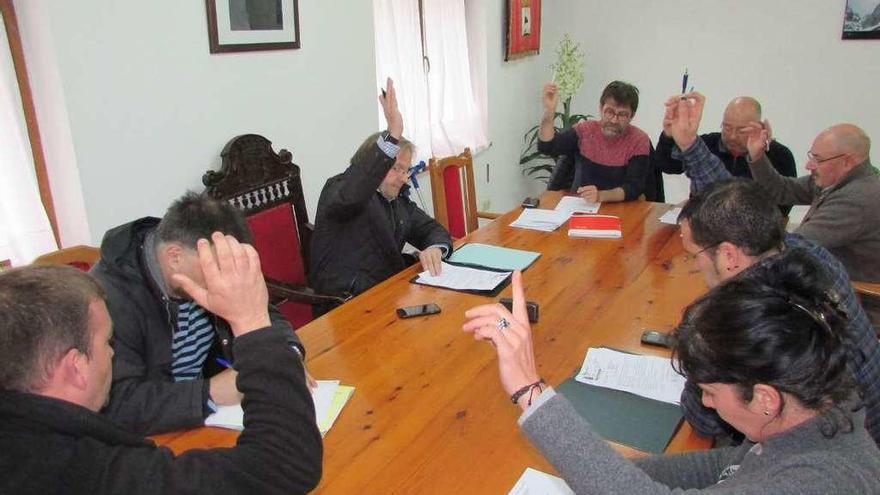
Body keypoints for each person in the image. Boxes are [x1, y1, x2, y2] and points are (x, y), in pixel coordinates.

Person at [463, 254, 880, 493]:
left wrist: (530, 390)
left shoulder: (822, 483)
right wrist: (603, 476)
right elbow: (724, 469)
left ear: (766, 398)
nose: (705, 402)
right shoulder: (813, 403)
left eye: (711, 392)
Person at [0, 234, 322, 494]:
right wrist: (252, 322)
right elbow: (285, 465)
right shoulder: (89, 471)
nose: (113, 354)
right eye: (106, 343)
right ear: (76, 367)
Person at [674, 178, 880, 445]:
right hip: (865, 421)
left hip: (826, 450)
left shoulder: (754, 312)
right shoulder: (807, 253)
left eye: (694, 255)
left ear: (729, 256)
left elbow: (703, 419)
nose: (695, 266)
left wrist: (705, 336)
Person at [91, 192, 307, 435]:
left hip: (214, 420)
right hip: (157, 438)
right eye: (216, 264)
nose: (224, 275)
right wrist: (210, 392)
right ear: (174, 257)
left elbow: (258, 310)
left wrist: (287, 355)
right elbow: (118, 404)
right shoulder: (108, 300)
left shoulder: (192, 266)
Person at [662, 92, 880, 287]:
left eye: (818, 159)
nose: (809, 165)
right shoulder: (841, 180)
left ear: (848, 161)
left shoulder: (858, 199)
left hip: (848, 294)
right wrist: (757, 157)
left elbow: (787, 249)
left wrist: (691, 145)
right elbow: (782, 190)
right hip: (824, 279)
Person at [310, 79, 452, 316]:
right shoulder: (341, 189)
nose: (403, 178)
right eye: (395, 169)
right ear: (372, 165)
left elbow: (430, 229)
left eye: (405, 170)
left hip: (385, 296)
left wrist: (434, 248)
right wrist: (393, 133)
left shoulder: (396, 199)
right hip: (345, 307)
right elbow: (356, 190)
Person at [654, 96, 797, 215]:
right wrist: (668, 135)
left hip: (750, 229)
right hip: (701, 221)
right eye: (727, 128)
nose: (733, 136)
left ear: (759, 127)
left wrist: (759, 158)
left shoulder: (780, 155)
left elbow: (783, 206)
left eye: (741, 131)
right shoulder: (708, 143)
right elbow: (667, 165)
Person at [538, 80, 652, 203]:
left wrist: (601, 196)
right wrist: (549, 112)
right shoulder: (584, 131)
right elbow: (547, 146)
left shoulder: (638, 140)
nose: (614, 120)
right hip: (582, 206)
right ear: (600, 108)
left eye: (622, 114)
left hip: (622, 209)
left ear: (632, 116)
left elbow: (634, 187)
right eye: (609, 112)